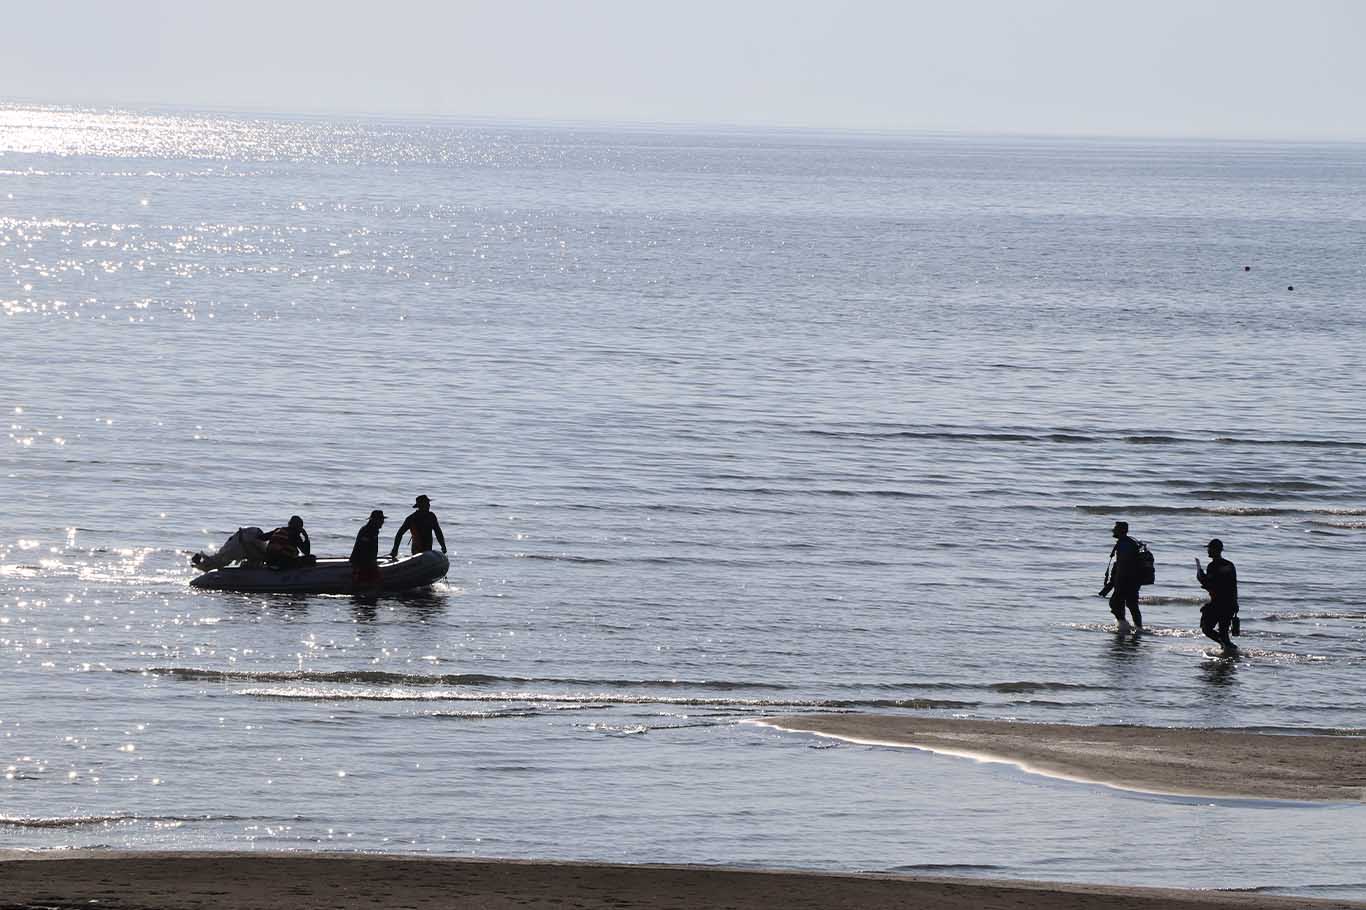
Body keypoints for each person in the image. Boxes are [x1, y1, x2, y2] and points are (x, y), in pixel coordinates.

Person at [1099, 521, 1143, 632]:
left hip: (1126, 580)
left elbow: (1123, 565)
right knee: (1129, 604)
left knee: (1117, 603)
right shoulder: (1127, 542)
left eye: (1115, 528)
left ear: (1121, 530)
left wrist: (1116, 583)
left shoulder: (1125, 544)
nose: (1113, 530)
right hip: (1131, 580)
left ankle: (1126, 626)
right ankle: (1134, 627)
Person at [1196, 538, 1239, 652]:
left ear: (1216, 550)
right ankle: (1228, 648)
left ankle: (1228, 647)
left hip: (1218, 603)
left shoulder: (1213, 566)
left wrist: (1200, 575)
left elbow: (1209, 583)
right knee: (1223, 632)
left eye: (1209, 548)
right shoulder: (1230, 565)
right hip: (1229, 603)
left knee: (1206, 628)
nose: (1208, 551)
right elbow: (1233, 585)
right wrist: (1235, 603)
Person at [390, 495, 447, 559]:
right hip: (417, 550)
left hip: (427, 550)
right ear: (421, 505)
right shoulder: (413, 518)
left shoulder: (430, 517)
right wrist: (395, 549)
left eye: (428, 503)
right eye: (427, 503)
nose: (429, 505)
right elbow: (399, 533)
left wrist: (443, 545)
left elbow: (438, 532)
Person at [351, 510, 386, 591]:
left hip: (367, 561)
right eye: (381, 520)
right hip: (363, 562)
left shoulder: (373, 530)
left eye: (382, 519)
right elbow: (363, 548)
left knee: (371, 583)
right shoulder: (367, 530)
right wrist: (370, 563)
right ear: (374, 520)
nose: (382, 522)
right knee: (370, 583)